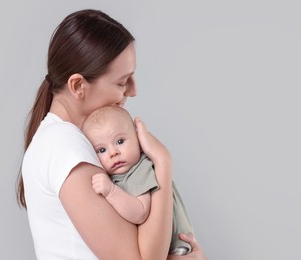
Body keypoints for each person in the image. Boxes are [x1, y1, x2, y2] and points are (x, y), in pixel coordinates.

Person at [16, 9, 207, 260]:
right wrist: (162, 162)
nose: (133, 90)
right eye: (122, 81)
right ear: (77, 86)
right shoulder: (64, 145)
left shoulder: (66, 141)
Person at [81, 105, 195, 256]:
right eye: (102, 150)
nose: (113, 153)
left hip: (176, 246)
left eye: (120, 141)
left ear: (140, 142)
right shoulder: (117, 176)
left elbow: (140, 213)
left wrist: (110, 191)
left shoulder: (141, 169)